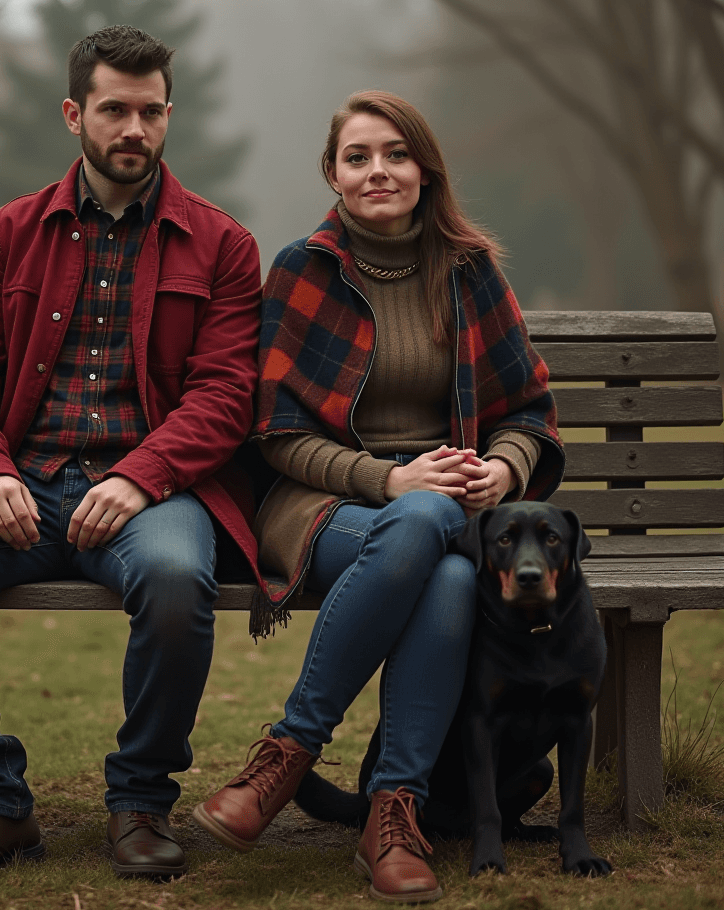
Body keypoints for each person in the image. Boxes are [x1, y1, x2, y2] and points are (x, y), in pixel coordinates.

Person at [0, 25, 262, 886]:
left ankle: (140, 803)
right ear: (73, 113)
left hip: (150, 493)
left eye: (150, 112)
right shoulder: (7, 234)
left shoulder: (220, 244)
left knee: (171, 580)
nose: (134, 128)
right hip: (21, 481)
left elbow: (226, 395)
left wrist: (142, 475)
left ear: (168, 117)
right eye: (114, 109)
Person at [194, 91, 563, 904]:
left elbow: (527, 412)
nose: (378, 171)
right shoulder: (303, 268)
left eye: (395, 154)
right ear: (333, 173)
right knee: (426, 519)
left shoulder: (470, 271)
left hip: (451, 506)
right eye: (358, 157)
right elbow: (278, 434)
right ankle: (348, 780)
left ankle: (357, 795)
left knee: (455, 571)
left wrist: (502, 470)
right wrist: (391, 480)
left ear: (424, 169)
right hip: (320, 501)